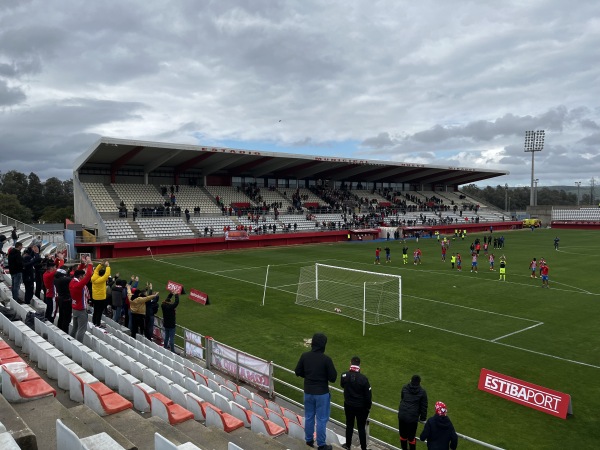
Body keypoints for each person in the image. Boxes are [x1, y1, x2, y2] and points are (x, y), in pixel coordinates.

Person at [295, 332, 337, 450]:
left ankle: (308, 440)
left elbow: (298, 371)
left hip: (308, 392)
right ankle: (321, 445)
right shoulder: (326, 360)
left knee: (309, 417)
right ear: (323, 345)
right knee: (321, 419)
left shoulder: (305, 356)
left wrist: (308, 375)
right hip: (321, 394)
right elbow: (333, 378)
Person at [340, 356, 372, 450]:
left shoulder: (344, 375)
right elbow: (368, 396)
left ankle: (348, 445)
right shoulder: (364, 379)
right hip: (361, 408)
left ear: (350, 363)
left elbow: (342, 385)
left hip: (348, 405)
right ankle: (363, 448)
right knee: (361, 428)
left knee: (349, 425)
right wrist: (368, 408)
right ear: (359, 365)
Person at [398, 375, 428, 450]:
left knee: (403, 435)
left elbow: (402, 398)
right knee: (411, 438)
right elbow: (424, 406)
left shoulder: (405, 387)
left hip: (402, 415)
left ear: (410, 380)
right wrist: (423, 418)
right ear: (419, 382)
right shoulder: (422, 392)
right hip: (412, 418)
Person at [69, 257, 94, 342]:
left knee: (75, 328)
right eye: (83, 276)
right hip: (81, 309)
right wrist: (90, 264)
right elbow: (88, 275)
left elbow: (77, 272)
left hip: (75, 308)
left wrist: (83, 264)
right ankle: (79, 345)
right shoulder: (78, 285)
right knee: (82, 329)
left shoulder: (72, 281)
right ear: (80, 277)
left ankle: (71, 341)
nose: (84, 277)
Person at [91, 260, 111, 326]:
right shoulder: (101, 280)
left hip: (95, 297)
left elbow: (96, 270)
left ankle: (94, 322)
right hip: (101, 298)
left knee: (95, 311)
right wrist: (107, 266)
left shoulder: (94, 276)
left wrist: (101, 265)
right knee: (99, 312)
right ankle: (98, 323)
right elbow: (107, 274)